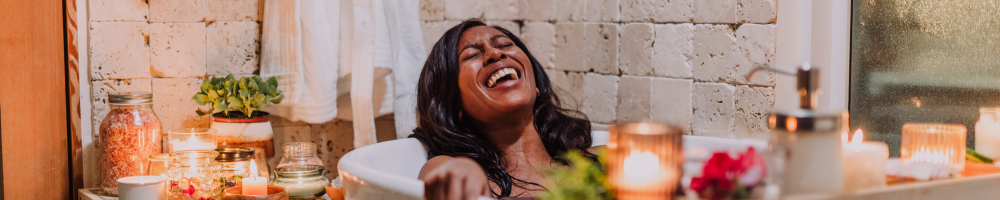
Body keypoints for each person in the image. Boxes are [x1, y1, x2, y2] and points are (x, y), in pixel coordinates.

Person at [411, 19, 596, 200]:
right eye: (471, 55)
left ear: (536, 85)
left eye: (505, 45)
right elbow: (443, 175)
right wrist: (464, 171)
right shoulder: (452, 169)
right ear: (452, 103)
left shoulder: (598, 162)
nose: (495, 53)